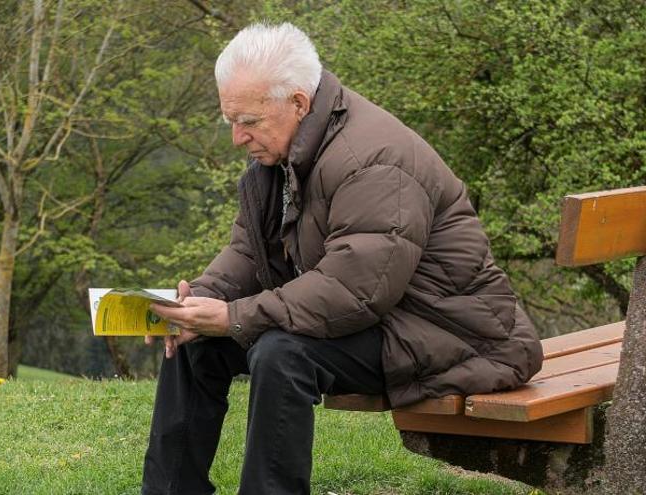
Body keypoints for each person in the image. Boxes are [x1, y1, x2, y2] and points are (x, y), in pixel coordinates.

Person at [141, 22, 543, 495]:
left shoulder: (374, 159)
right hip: (382, 317)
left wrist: (232, 315)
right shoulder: (287, 151)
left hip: (450, 331)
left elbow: (356, 290)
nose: (237, 137)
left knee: (281, 352)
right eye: (230, 119)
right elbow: (251, 250)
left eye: (248, 121)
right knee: (193, 340)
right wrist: (201, 301)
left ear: (297, 103)